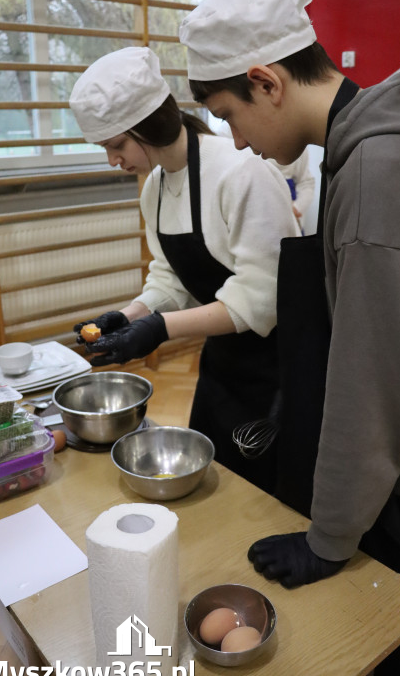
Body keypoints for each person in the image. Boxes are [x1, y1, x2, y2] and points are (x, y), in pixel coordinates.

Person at [179, 0, 400, 676]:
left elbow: (374, 385)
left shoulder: (381, 172)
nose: (238, 142)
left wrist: (330, 537)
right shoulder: (392, 145)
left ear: (266, 81)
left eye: (230, 114)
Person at [68, 45, 299, 493]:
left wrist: (161, 328)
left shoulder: (240, 174)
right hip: (223, 363)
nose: (113, 160)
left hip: (279, 369)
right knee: (218, 484)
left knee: (266, 495)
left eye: (117, 145)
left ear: (148, 126)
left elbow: (263, 297)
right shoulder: (154, 188)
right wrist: (129, 316)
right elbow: (169, 277)